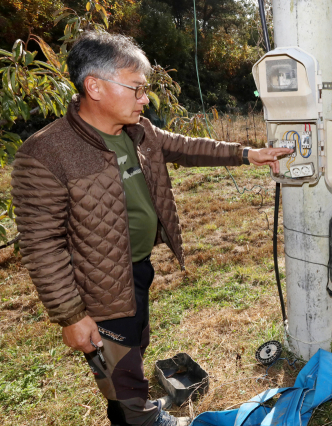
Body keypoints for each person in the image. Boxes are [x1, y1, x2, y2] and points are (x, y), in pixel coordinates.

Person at [10, 32, 292, 426]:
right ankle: (140, 419)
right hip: (97, 288)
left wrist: (248, 154)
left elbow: (187, 147)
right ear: (95, 86)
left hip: (135, 270)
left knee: (133, 349)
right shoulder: (46, 154)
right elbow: (42, 246)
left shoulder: (137, 131)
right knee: (118, 370)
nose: (145, 99)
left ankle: (135, 409)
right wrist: (72, 316)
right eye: (137, 89)